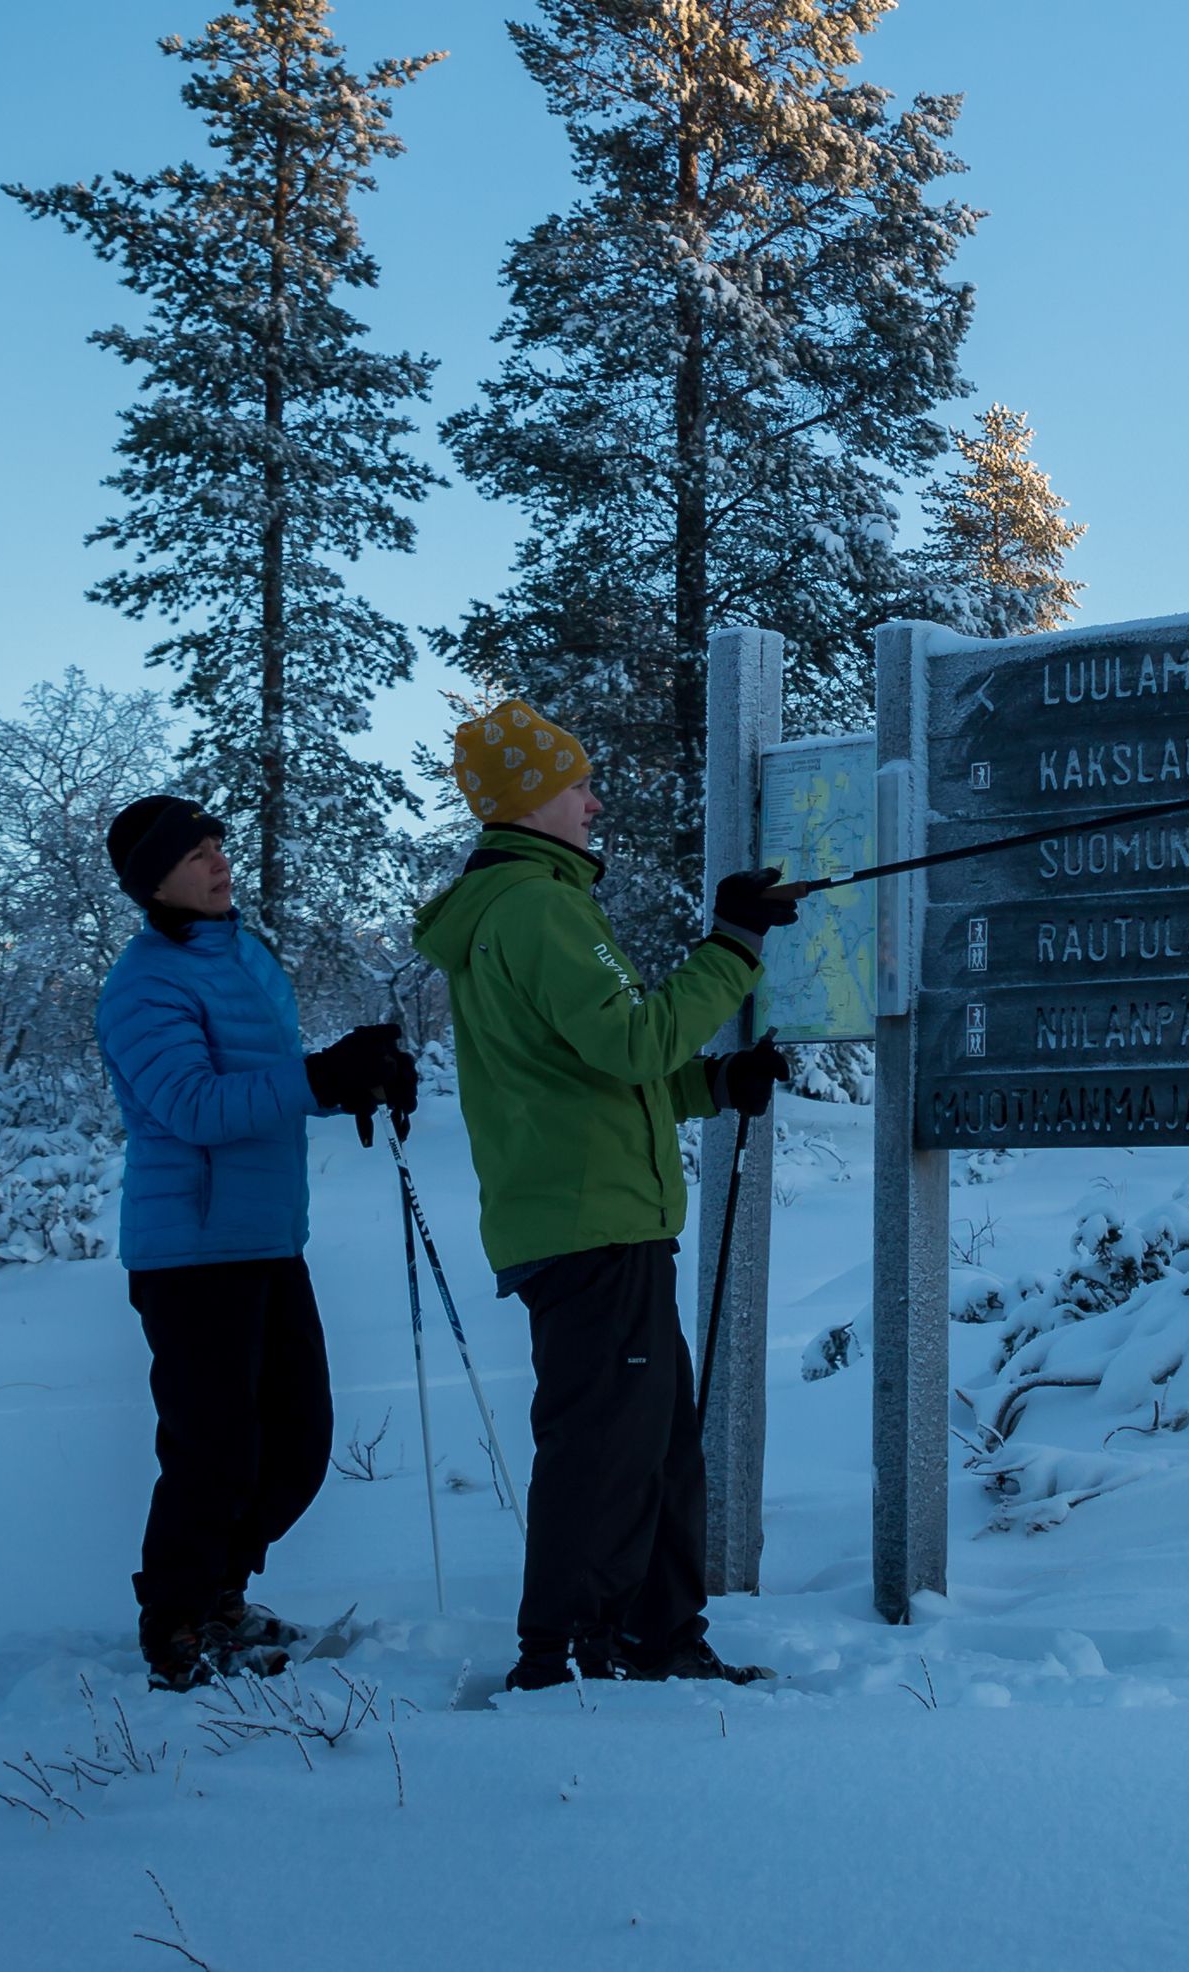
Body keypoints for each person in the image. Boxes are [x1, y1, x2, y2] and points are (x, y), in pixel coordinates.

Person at [410, 699, 807, 1691]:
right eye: (578, 783)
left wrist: (712, 1085)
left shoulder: (528, 905)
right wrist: (731, 943)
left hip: (597, 1219)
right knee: (606, 1450)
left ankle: (655, 1635)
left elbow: (596, 1072)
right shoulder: (536, 909)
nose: (594, 800)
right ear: (531, 799)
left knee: (657, 1446)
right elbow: (636, 1038)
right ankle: (565, 1654)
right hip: (591, 1227)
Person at [96, 794, 413, 1690]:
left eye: (216, 844)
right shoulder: (143, 983)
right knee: (211, 1450)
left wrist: (357, 1077)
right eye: (193, 854)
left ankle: (222, 1596)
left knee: (299, 1441)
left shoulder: (246, 956)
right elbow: (192, 1106)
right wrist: (317, 1076)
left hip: (269, 1239)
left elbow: (268, 1080)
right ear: (153, 881)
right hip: (191, 1253)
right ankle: (179, 1626)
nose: (216, 861)